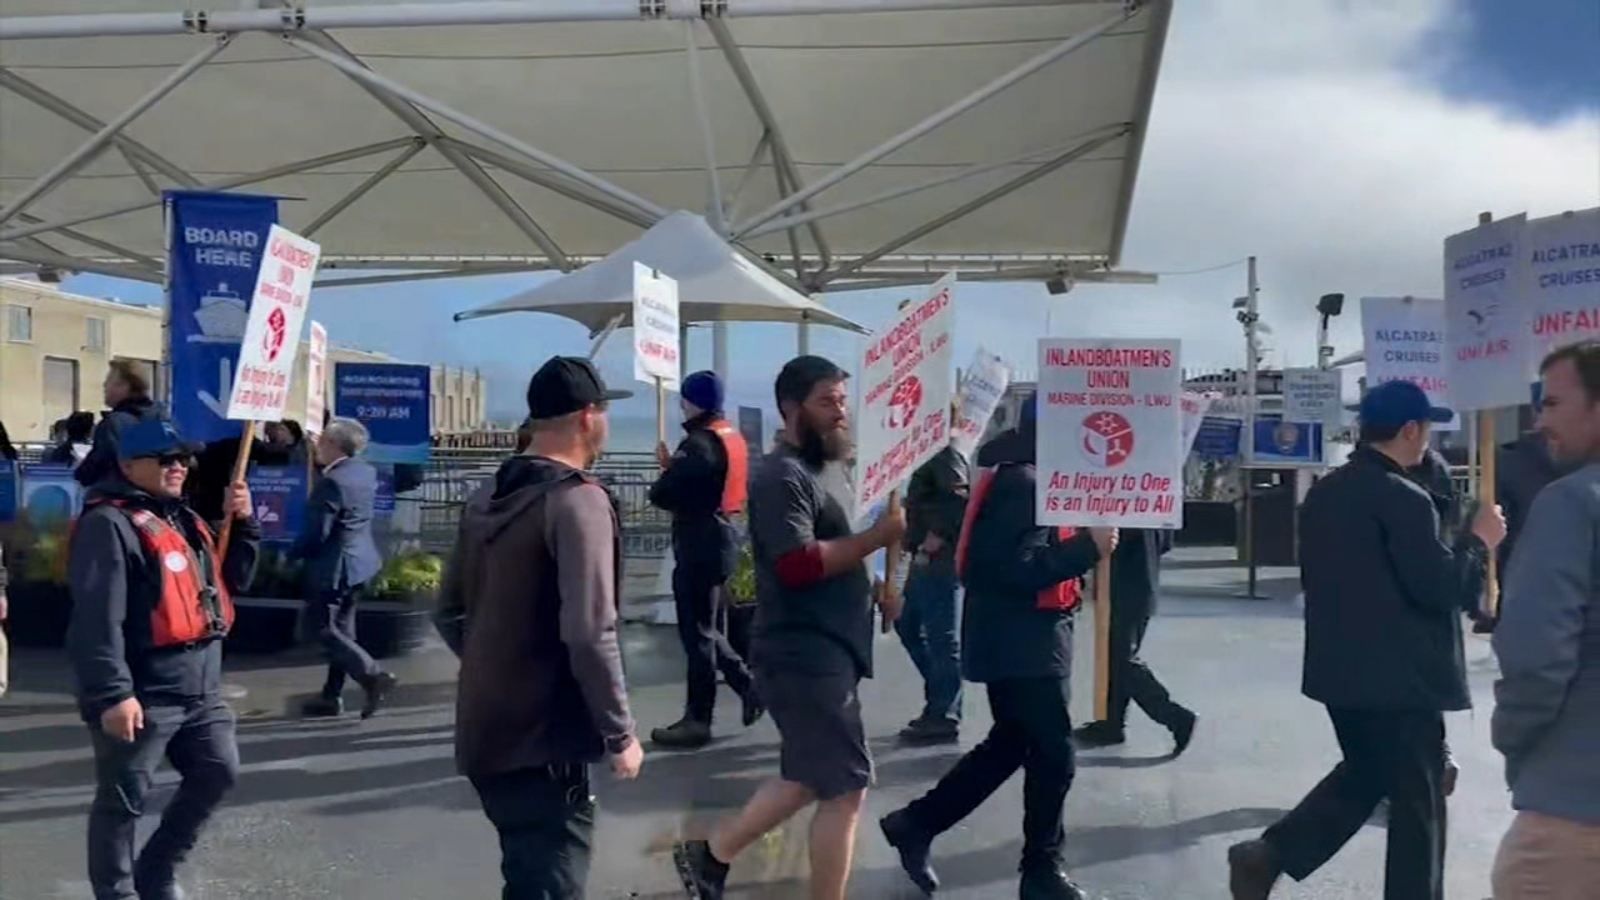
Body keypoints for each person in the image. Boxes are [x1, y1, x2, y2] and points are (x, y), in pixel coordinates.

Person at [1227, 380, 1505, 900]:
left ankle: (1268, 855)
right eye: (1425, 432)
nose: (1428, 444)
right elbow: (1440, 587)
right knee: (1418, 809)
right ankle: (1274, 857)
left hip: (1341, 673)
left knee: (1366, 776)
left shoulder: (1327, 492)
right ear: (1409, 430)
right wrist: (1477, 542)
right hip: (1402, 681)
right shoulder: (1403, 498)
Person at [674, 355, 906, 900]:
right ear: (791, 407)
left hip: (833, 648)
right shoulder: (781, 476)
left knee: (809, 777)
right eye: (827, 401)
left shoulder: (835, 467)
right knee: (847, 788)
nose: (839, 412)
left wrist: (881, 587)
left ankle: (711, 854)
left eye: (843, 401)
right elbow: (797, 565)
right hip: (801, 652)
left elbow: (845, 547)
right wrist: (877, 539)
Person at [879, 394, 1116, 900]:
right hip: (1024, 643)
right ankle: (1040, 871)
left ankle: (916, 823)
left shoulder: (1018, 476)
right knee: (1054, 753)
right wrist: (1086, 549)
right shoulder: (1025, 485)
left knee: (1012, 744)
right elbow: (1012, 569)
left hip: (1020, 639)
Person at [434, 355, 641, 899]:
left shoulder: (486, 496)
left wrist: (498, 666)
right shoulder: (578, 501)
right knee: (551, 880)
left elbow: (447, 611)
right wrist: (619, 732)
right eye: (605, 412)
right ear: (587, 416)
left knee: (527, 877)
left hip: (486, 729)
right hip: (548, 742)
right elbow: (590, 630)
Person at [65, 418, 259, 900]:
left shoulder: (184, 518)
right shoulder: (108, 524)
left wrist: (247, 522)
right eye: (165, 459)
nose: (178, 468)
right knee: (123, 800)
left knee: (217, 771)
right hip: (146, 689)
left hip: (202, 686)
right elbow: (96, 617)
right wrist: (114, 694)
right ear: (129, 465)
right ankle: (117, 892)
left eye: (182, 459)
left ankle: (156, 870)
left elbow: (232, 581)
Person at [1491, 341, 1600, 898]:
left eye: (1554, 404)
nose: (1540, 420)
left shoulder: (1572, 504)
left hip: (1573, 820)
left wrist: (1512, 741)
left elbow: (1536, 658)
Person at [648, 370, 763, 749]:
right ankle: (746, 685)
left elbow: (664, 494)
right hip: (725, 535)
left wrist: (668, 474)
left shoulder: (698, 443)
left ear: (692, 400)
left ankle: (700, 719)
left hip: (700, 541)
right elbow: (708, 483)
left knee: (696, 633)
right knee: (706, 627)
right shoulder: (728, 436)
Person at [290, 417, 392, 719]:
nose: (317, 447)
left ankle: (373, 675)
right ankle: (331, 696)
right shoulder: (364, 472)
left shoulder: (332, 482)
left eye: (321, 441)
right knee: (343, 632)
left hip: (335, 566)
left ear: (334, 445)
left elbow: (318, 532)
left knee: (321, 629)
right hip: (360, 562)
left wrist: (292, 555)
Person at [1072, 527, 1197, 754]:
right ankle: (1111, 724)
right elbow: (1166, 543)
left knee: (1121, 659)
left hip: (1123, 586)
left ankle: (1174, 716)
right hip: (1140, 584)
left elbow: (1106, 542)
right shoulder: (1150, 507)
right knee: (1115, 656)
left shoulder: (1124, 514)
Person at [894, 425, 969, 745]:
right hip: (924, 557)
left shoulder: (944, 452)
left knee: (941, 637)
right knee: (907, 625)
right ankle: (943, 695)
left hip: (937, 560)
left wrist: (935, 536)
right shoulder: (932, 451)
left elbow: (960, 499)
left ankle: (944, 712)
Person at [76, 360, 160, 488]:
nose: (104, 385)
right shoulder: (162, 419)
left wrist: (81, 471)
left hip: (122, 498)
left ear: (124, 386)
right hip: (158, 501)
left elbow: (95, 467)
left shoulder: (114, 424)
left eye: (109, 380)